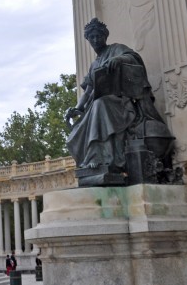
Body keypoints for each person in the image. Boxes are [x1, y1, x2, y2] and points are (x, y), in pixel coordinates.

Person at [64, 18, 171, 186]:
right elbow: (88, 91)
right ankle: (94, 160)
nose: (95, 40)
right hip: (102, 105)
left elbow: (134, 58)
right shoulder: (94, 65)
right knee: (76, 131)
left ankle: (98, 159)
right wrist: (77, 108)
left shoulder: (116, 49)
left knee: (100, 105)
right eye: (91, 37)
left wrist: (119, 60)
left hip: (122, 104)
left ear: (105, 37)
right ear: (88, 40)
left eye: (98, 36)